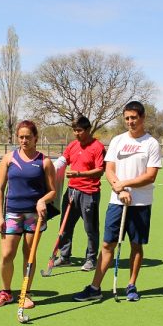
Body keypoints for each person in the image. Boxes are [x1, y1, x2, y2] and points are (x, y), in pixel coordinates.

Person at [73, 101, 162, 302]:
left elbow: (150, 176)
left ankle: (131, 285)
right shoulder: (117, 141)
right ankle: (95, 287)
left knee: (136, 246)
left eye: (134, 118)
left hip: (140, 204)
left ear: (142, 118)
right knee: (107, 244)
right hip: (117, 202)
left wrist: (125, 185)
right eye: (127, 118)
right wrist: (118, 188)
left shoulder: (151, 144)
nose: (130, 122)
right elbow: (109, 169)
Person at [0, 120, 56, 308]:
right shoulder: (9, 159)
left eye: (28, 137)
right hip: (12, 214)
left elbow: (52, 191)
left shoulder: (44, 161)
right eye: (21, 137)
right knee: (6, 255)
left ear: (35, 138)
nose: (24, 140)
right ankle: (5, 293)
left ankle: (25, 293)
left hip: (34, 216)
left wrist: (43, 200)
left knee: (29, 255)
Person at [52, 116, 106, 271]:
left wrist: (78, 175)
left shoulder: (97, 147)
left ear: (88, 130)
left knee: (91, 228)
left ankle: (91, 259)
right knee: (65, 226)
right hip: (71, 192)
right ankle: (64, 257)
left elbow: (100, 171)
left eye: (79, 130)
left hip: (89, 193)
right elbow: (62, 160)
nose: (76, 133)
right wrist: (49, 170)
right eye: (74, 130)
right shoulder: (72, 145)